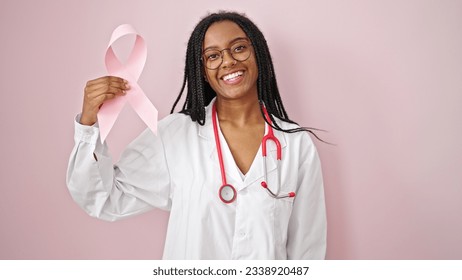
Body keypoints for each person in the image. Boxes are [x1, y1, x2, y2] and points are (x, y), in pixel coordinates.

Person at [67, 11, 326, 259]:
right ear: (202, 70)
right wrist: (90, 124)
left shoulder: (295, 144)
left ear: (258, 53)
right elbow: (105, 198)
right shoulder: (175, 136)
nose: (228, 61)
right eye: (212, 56)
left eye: (239, 48)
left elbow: (307, 248)